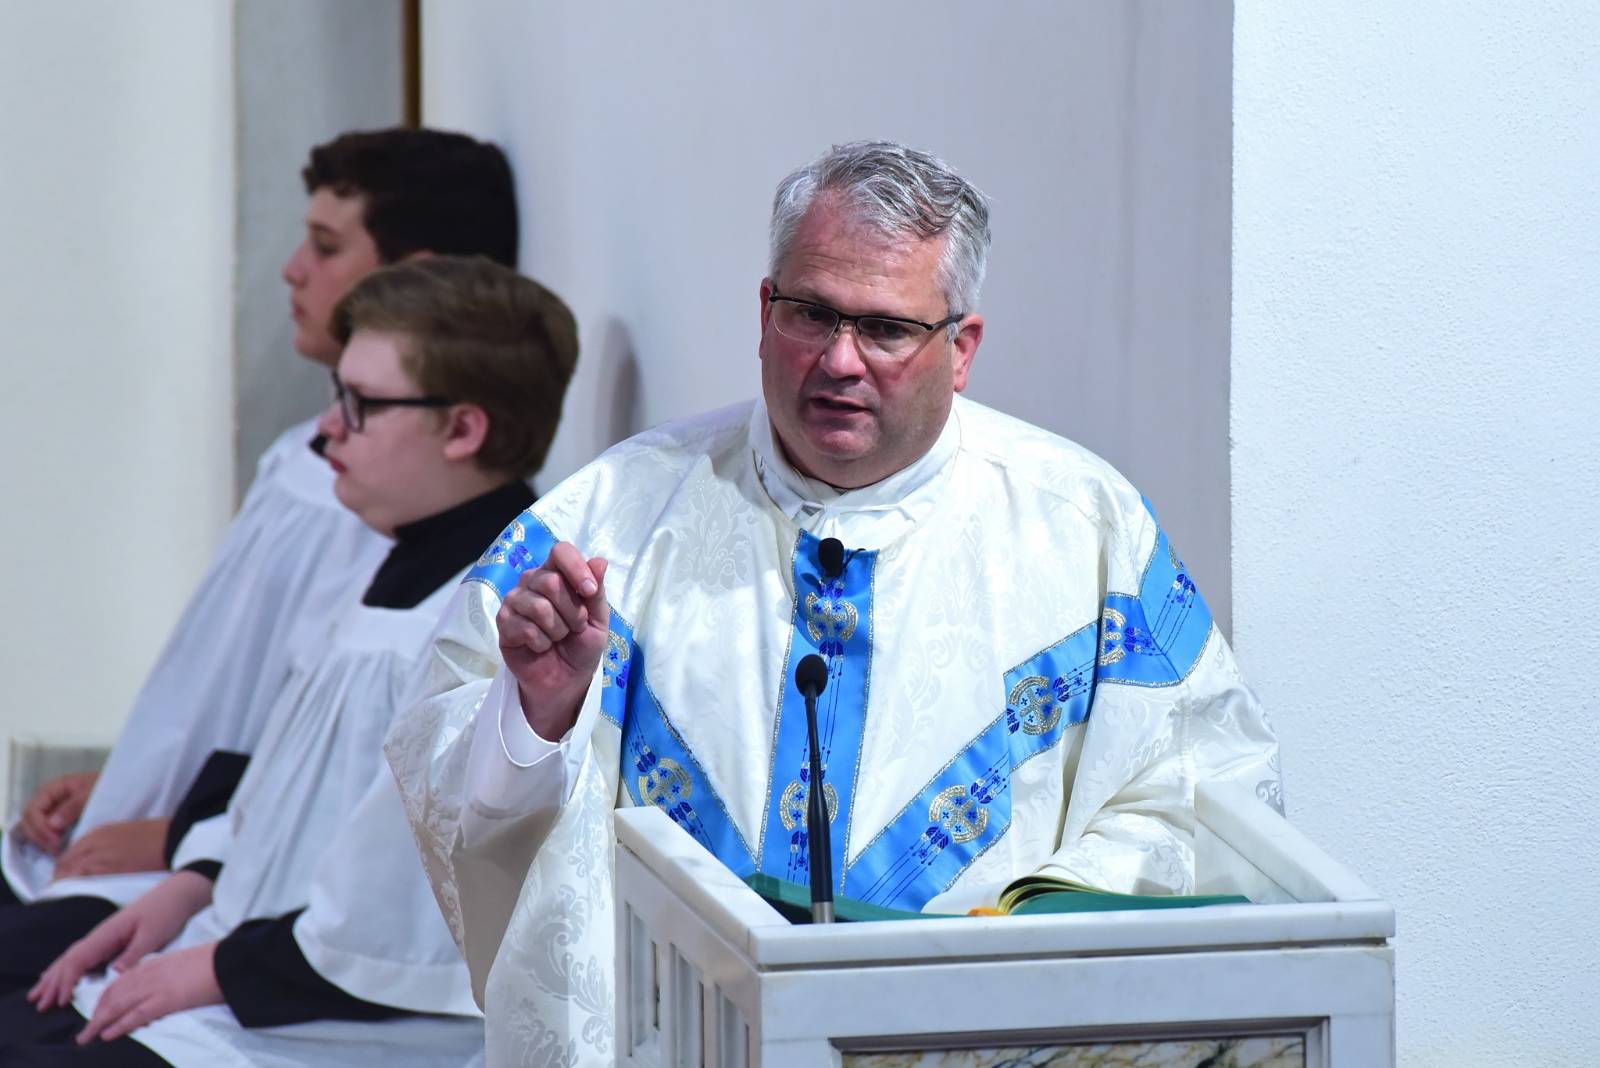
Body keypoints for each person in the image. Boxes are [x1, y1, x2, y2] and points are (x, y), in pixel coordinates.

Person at [384, 140, 1283, 1065]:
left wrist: (1009, 948)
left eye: (888, 329)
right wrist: (536, 715)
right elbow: (448, 766)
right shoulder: (611, 516)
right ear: (765, 312)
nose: (841, 361)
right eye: (812, 313)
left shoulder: (1084, 529)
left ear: (962, 348)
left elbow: (1198, 798)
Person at [0, 255, 581, 1067]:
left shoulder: (503, 618)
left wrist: (222, 966)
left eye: (360, 404)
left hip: (342, 1024)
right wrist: (195, 878)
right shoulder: (405, 554)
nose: (326, 428)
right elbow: (294, 791)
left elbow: (414, 905)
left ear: (462, 428)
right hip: (248, 951)